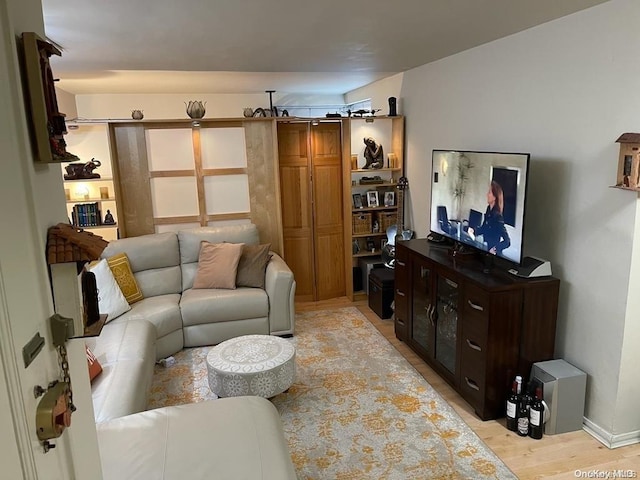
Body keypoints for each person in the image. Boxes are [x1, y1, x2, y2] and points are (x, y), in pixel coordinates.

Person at [468, 180, 510, 255]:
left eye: (489, 192)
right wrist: (474, 231)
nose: (487, 194)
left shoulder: (498, 217)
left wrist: (495, 249)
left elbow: (507, 242)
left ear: (494, 197)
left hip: (495, 254)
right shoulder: (489, 210)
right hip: (487, 248)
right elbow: (484, 228)